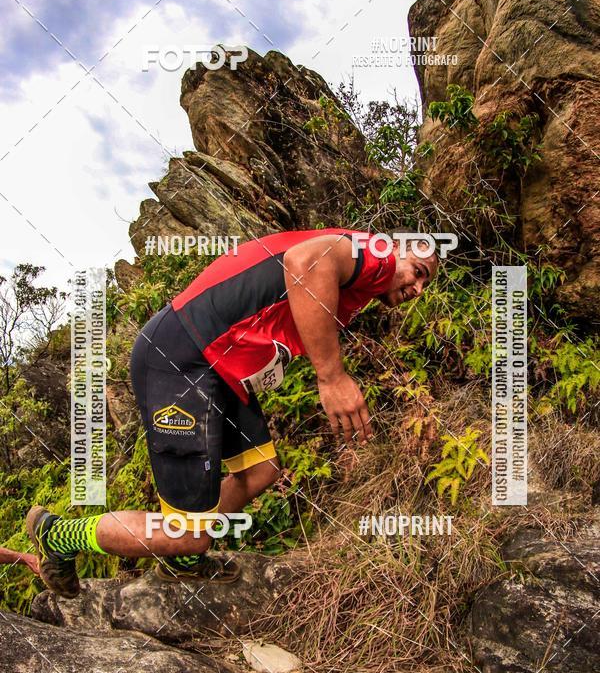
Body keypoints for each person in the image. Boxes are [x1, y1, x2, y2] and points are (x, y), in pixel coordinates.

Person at [27, 228, 438, 598]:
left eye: (425, 282)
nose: (418, 287)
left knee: (262, 470)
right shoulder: (374, 255)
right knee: (190, 535)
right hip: (181, 358)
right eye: (418, 270)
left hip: (218, 368)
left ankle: (183, 550)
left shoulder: (360, 279)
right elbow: (305, 263)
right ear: (394, 247)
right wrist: (332, 377)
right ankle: (59, 534)